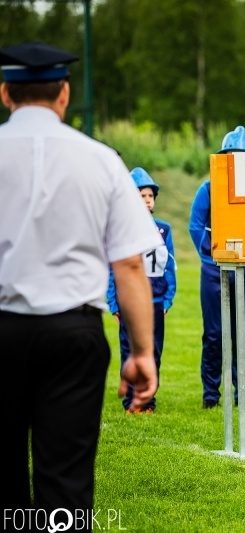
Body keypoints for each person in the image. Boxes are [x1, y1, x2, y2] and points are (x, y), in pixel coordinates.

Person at [0, 42, 160, 521]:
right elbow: (129, 264)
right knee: (65, 482)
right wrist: (143, 353)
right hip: (73, 334)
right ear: (64, 95)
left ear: (6, 94)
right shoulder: (102, 161)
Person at [189, 125, 245, 409]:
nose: (236, 162)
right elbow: (195, 227)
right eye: (232, 156)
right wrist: (212, 257)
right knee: (215, 334)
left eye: (242, 157)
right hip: (214, 270)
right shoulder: (208, 189)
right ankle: (210, 395)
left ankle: (244, 394)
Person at [107, 167, 176, 413]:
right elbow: (112, 268)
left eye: (150, 196)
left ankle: (149, 401)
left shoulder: (163, 229)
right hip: (129, 298)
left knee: (154, 349)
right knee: (129, 347)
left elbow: (170, 266)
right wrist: (113, 302)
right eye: (141, 196)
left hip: (156, 298)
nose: (147, 200)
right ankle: (131, 401)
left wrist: (168, 299)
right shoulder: (120, 228)